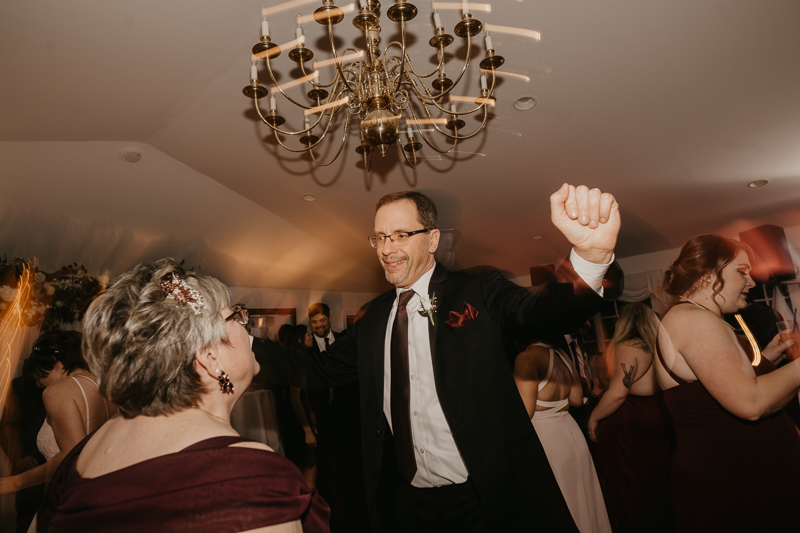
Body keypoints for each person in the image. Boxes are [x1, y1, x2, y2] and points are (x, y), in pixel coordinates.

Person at [254, 184, 623, 532]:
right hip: (409, 503)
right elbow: (316, 369)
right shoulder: (372, 318)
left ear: (432, 239)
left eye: (400, 235)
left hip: (485, 498)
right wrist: (245, 343)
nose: (386, 248)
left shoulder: (477, 289)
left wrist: (590, 259)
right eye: (380, 237)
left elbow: (540, 313)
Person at [35, 259, 330, 532]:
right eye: (236, 317)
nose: (245, 325)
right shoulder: (253, 480)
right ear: (211, 359)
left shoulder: (82, 456)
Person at [655, 234, 800, 532]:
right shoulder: (693, 319)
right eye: (742, 271)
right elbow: (750, 402)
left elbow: (731, 382)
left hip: (739, 478)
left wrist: (769, 356)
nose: (751, 282)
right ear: (710, 274)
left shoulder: (702, 317)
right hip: (731, 483)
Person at [588, 303, 673, 533]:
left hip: (629, 425)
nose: (614, 323)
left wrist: (594, 417)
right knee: (656, 480)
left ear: (625, 322)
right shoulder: (659, 346)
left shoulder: (627, 346)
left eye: (617, 319)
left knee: (628, 484)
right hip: (658, 417)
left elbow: (618, 392)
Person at [0, 330, 113, 501]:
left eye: (40, 375)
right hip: (103, 492)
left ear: (56, 364)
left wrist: (15, 482)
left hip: (70, 496)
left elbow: (72, 456)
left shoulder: (58, 392)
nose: (39, 384)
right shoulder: (109, 389)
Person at [513, 339, 611, 533]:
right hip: (571, 430)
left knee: (562, 503)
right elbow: (576, 399)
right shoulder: (562, 355)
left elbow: (526, 412)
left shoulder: (527, 359)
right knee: (583, 498)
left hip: (547, 437)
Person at [276, 324, 319, 484]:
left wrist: (311, 415)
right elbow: (295, 399)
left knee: (301, 468)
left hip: (293, 420)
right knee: (309, 468)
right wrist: (307, 430)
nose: (311, 336)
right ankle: (307, 505)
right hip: (296, 423)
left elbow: (303, 394)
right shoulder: (297, 363)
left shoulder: (296, 359)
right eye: (308, 334)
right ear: (300, 339)